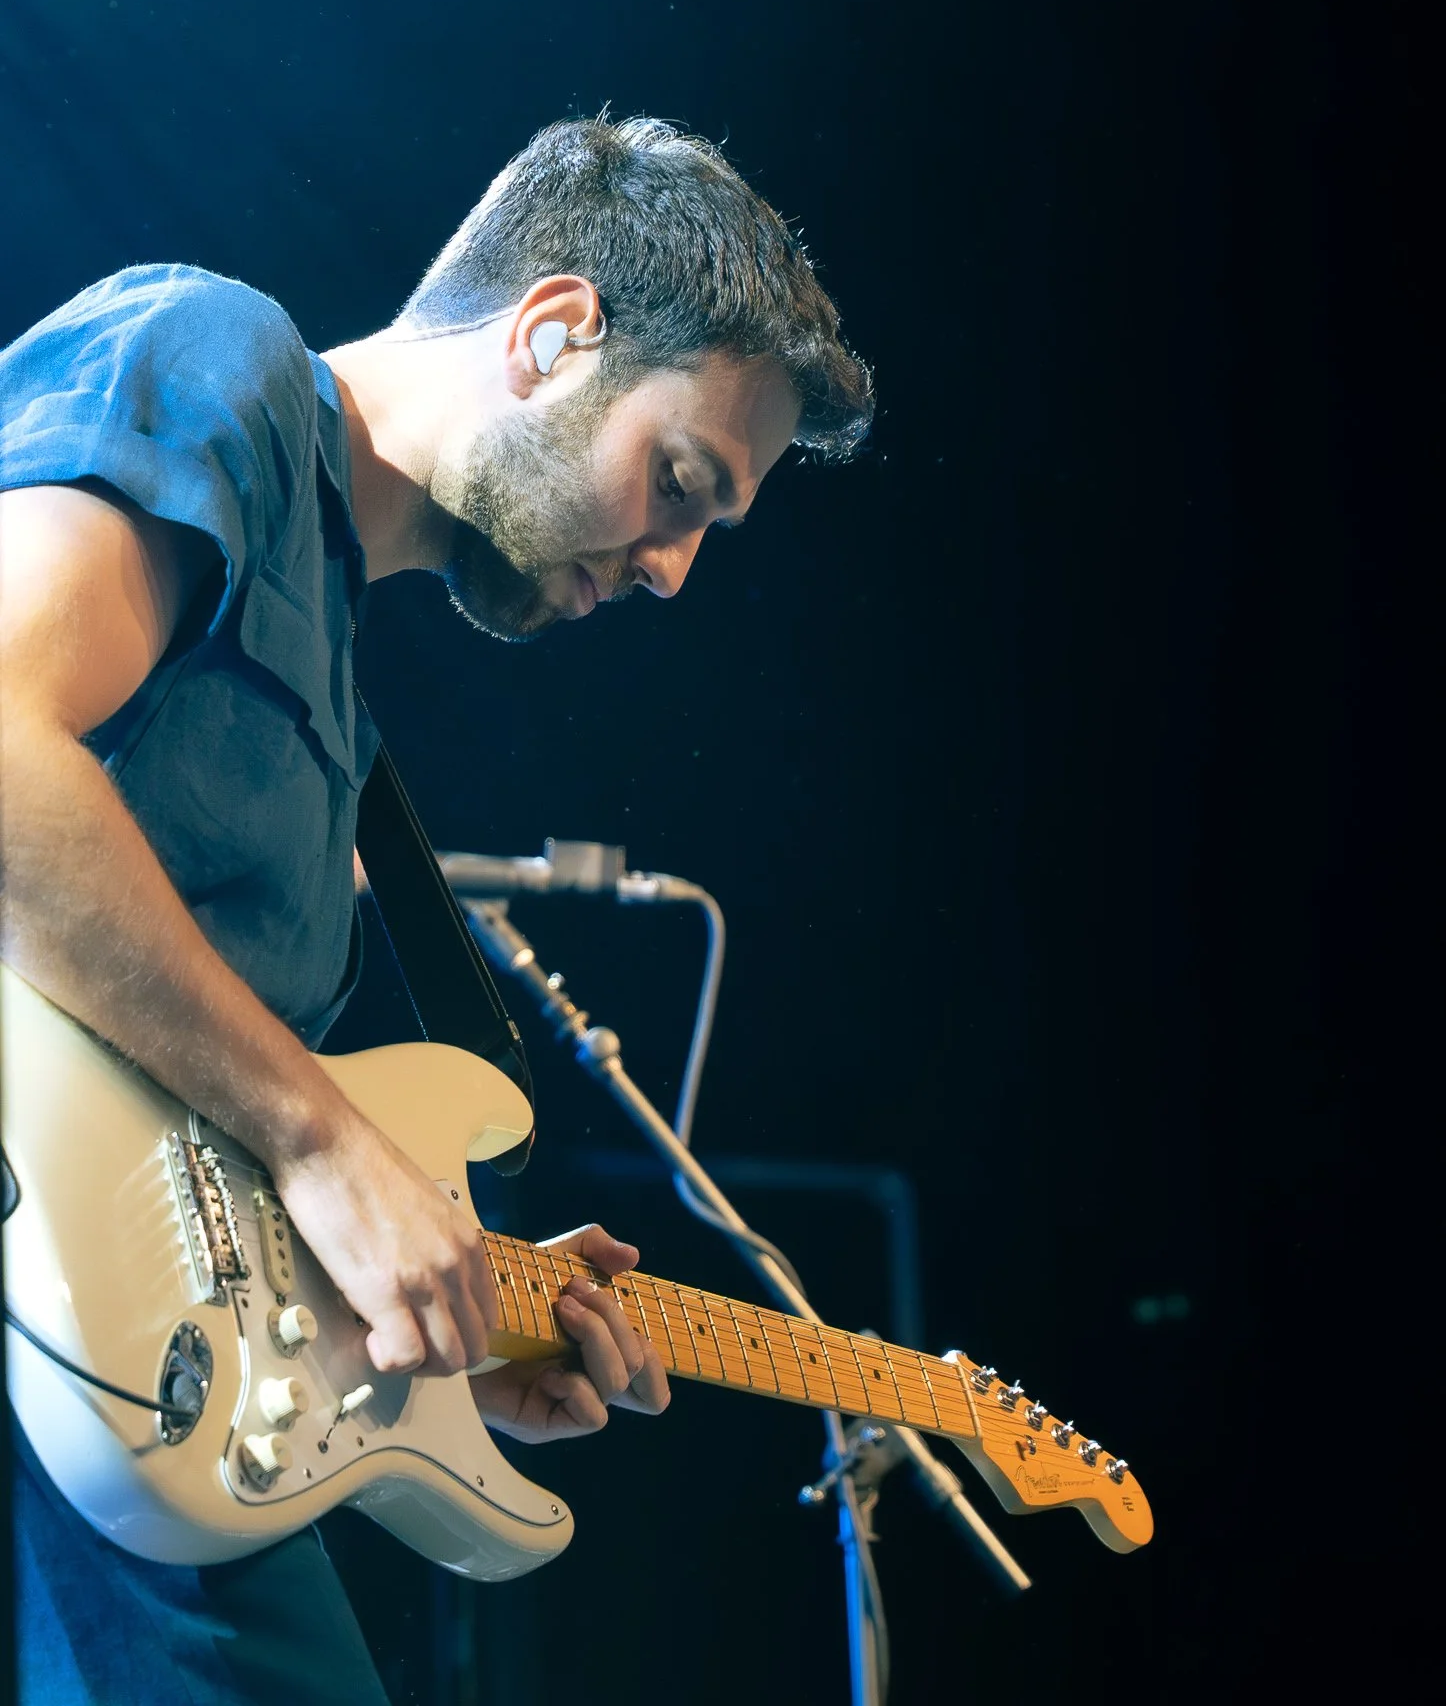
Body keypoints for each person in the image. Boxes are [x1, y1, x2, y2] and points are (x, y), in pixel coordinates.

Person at [0, 113, 874, 1702]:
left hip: (119, 1403)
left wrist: (417, 1335)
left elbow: (168, 1131)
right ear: (551, 335)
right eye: (680, 480)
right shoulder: (218, 356)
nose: (675, 568)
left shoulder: (339, 710)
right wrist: (332, 1150)